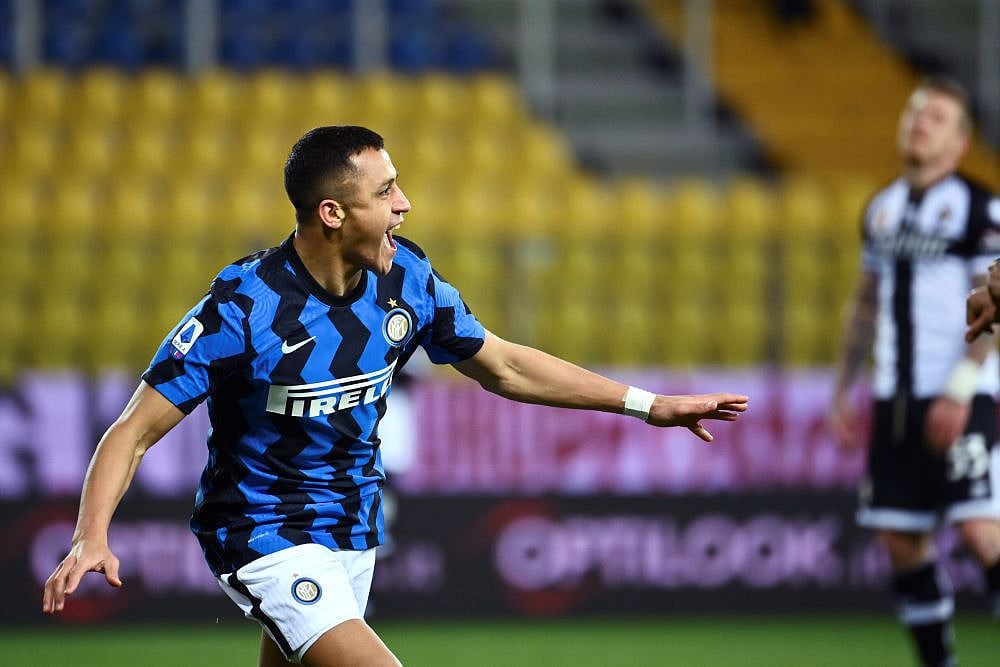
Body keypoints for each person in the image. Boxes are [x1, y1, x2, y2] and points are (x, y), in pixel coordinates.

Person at [41, 126, 749, 667]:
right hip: (263, 532)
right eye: (384, 193)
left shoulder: (405, 278)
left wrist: (647, 404)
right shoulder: (244, 307)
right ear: (332, 212)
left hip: (353, 530)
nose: (404, 204)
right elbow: (133, 429)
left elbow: (503, 364)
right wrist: (90, 535)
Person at [830, 77, 1000, 667]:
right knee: (900, 539)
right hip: (895, 399)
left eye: (936, 117)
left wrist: (961, 387)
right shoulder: (881, 209)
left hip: (962, 394)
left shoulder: (981, 209)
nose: (920, 122)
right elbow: (865, 303)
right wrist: (842, 386)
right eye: (915, 112)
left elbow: (995, 305)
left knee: (980, 531)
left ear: (960, 142)